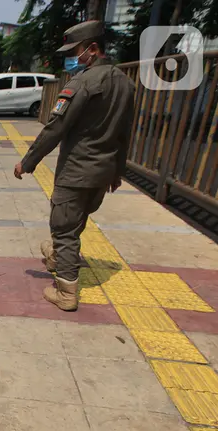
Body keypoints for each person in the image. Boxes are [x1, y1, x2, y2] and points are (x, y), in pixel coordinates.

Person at [13, 20, 135, 311]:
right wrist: (118, 172)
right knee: (77, 220)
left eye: (76, 51)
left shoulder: (82, 82)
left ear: (92, 49)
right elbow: (125, 133)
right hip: (102, 172)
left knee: (64, 229)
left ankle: (66, 291)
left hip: (77, 171)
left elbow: (56, 128)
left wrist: (27, 162)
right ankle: (57, 256)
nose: (73, 57)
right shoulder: (126, 83)